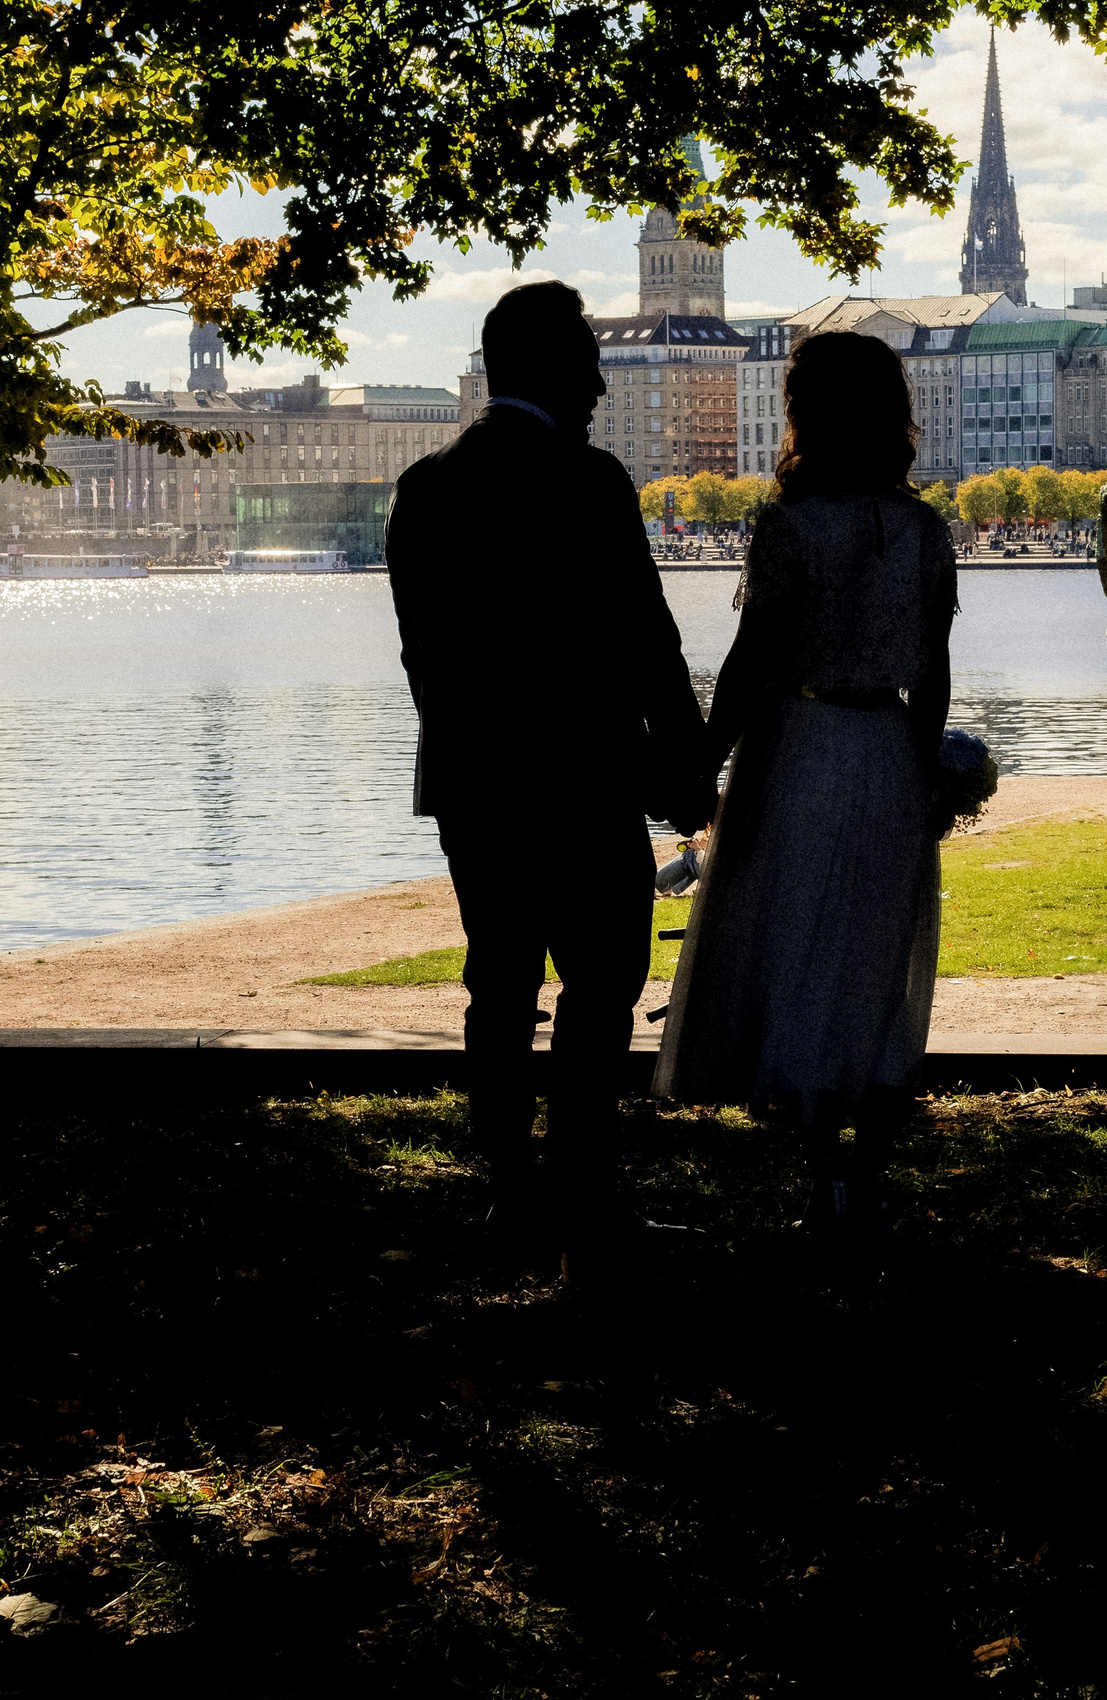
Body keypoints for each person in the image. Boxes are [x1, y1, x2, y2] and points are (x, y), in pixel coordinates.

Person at [386, 281, 717, 1268]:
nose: (601, 385)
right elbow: (648, 642)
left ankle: (509, 1192)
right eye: (588, 362)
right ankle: (583, 1192)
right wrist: (686, 766)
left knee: (499, 983)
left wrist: (465, 751)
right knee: (602, 985)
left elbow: (421, 658)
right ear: (547, 367)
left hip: (475, 785)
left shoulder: (425, 488)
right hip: (583, 781)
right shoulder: (589, 480)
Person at [653, 330, 958, 1249]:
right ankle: (865, 1173)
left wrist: (702, 760)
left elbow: (752, 659)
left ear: (806, 415)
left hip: (798, 745)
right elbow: (935, 673)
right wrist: (925, 768)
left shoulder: (790, 523)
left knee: (795, 953)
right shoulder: (925, 529)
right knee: (874, 959)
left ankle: (826, 1172)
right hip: (887, 747)